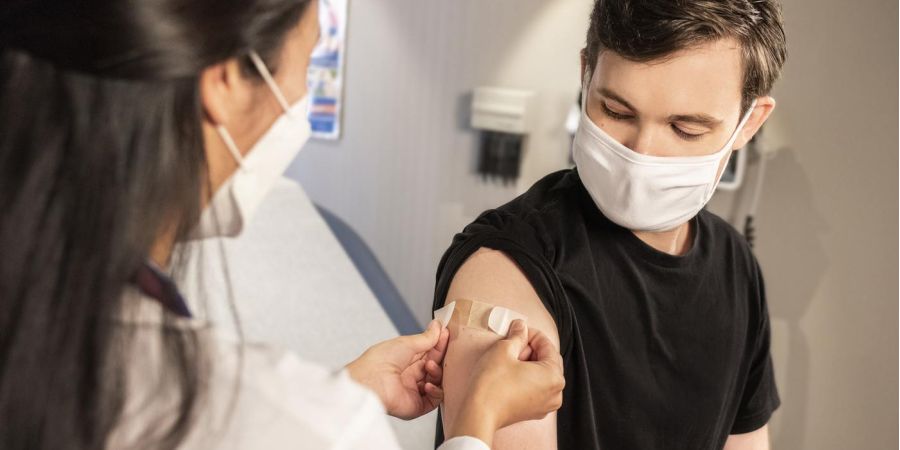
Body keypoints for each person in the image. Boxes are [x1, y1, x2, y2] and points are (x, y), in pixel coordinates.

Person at [0, 1, 564, 449]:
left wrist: (346, 389)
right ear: (223, 80)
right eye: (312, 64)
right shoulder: (300, 423)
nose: (300, 97)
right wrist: (473, 425)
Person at [433, 0, 787, 449]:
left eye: (686, 129)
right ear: (586, 75)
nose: (642, 152)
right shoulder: (508, 266)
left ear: (748, 123)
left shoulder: (737, 266)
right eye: (617, 111)